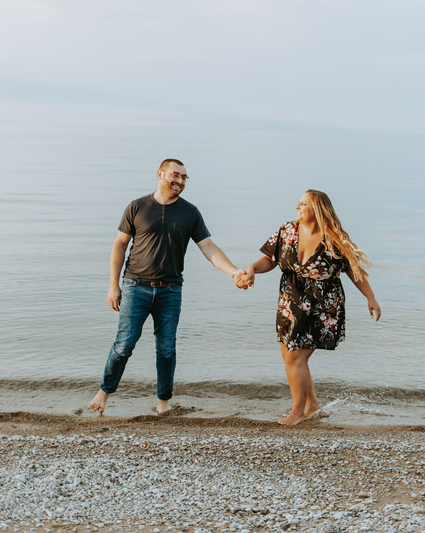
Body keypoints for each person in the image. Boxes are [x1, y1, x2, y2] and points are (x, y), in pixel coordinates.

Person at [89, 158, 249, 416]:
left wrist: (234, 272)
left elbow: (209, 247)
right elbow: (119, 244)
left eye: (185, 178)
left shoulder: (190, 212)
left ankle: (163, 403)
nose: (180, 181)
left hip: (170, 290)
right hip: (135, 286)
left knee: (166, 348)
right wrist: (113, 286)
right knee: (124, 346)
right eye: (176, 175)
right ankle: (104, 393)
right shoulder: (137, 207)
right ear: (160, 174)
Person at [238, 190, 380, 426]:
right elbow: (270, 259)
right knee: (289, 356)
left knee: (295, 357)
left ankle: (296, 412)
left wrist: (371, 298)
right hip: (290, 302)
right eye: (298, 202)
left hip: (322, 307)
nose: (297, 206)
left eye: (303, 204)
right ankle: (312, 406)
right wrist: (252, 269)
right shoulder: (287, 231)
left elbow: (355, 271)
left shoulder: (333, 239)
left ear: (318, 210)